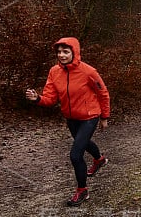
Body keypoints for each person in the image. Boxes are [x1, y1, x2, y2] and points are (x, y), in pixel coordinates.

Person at [25, 37, 110, 206]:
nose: (61, 55)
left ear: (74, 52)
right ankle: (99, 159)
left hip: (89, 116)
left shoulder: (89, 72)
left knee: (75, 155)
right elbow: (50, 98)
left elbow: (103, 93)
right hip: (71, 118)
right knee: (84, 144)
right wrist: (37, 99)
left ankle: (82, 191)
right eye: (59, 52)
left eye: (66, 51)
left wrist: (104, 117)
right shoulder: (54, 72)